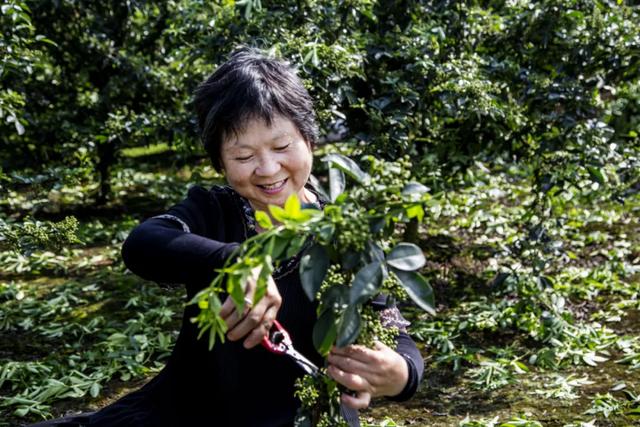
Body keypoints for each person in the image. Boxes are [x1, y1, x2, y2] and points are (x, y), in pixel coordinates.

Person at [30, 47, 424, 427]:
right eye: (242, 156)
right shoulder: (214, 212)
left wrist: (400, 375)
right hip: (189, 415)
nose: (268, 169)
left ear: (310, 140)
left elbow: (395, 332)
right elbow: (143, 244)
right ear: (219, 162)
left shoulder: (345, 233)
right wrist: (236, 260)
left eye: (282, 146)